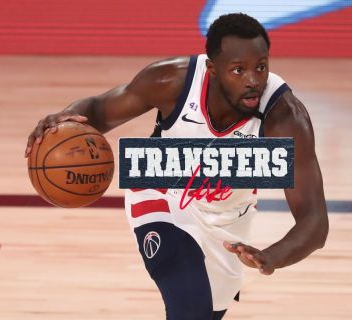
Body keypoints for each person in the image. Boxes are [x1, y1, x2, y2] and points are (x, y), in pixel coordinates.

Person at [25, 13, 328, 320]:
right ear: (212, 69)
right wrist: (63, 117)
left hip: (228, 221)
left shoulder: (285, 116)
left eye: (260, 67)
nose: (253, 80)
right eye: (238, 70)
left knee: (204, 313)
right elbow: (99, 110)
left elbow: (315, 222)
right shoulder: (171, 80)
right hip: (161, 194)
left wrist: (271, 256)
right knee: (189, 309)